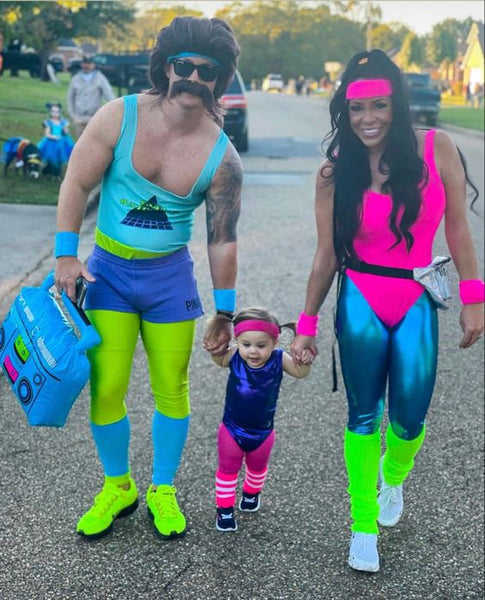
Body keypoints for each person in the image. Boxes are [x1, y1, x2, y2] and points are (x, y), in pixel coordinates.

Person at [290, 49, 484, 573]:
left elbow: (458, 230)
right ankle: (363, 523)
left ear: (396, 105)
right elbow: (326, 253)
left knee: (409, 416)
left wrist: (474, 297)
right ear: (344, 112)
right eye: (356, 109)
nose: (367, 118)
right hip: (360, 297)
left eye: (378, 105)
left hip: (416, 295)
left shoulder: (436, 148)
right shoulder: (335, 172)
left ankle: (393, 478)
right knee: (362, 414)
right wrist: (306, 325)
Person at [54, 16, 242, 540]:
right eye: (185, 65)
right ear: (165, 66)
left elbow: (222, 238)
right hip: (108, 274)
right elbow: (77, 180)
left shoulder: (222, 156)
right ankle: (119, 487)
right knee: (107, 387)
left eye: (209, 71)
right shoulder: (120, 116)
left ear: (220, 79)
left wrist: (224, 310)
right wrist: (65, 257)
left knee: (171, 390)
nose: (194, 78)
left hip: (169, 284)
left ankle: (162, 487)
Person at [206, 307, 313, 532]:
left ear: (275, 343)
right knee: (227, 469)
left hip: (263, 432)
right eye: (246, 345)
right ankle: (224, 509)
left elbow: (300, 372)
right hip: (231, 429)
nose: (252, 351)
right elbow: (220, 360)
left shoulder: (278, 359)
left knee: (257, 468)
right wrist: (215, 348)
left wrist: (305, 360)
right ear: (237, 341)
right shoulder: (234, 355)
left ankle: (251, 496)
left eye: (261, 345)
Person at [67, 56, 115, 138]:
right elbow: (70, 98)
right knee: (80, 144)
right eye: (85, 64)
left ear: (94, 65)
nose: (87, 66)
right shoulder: (76, 78)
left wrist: (115, 107)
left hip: (94, 118)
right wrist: (73, 115)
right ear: (82, 64)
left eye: (89, 64)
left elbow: (109, 94)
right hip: (79, 118)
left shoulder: (100, 78)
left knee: (94, 141)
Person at [37, 102, 74, 177]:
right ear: (50, 112)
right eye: (53, 111)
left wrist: (66, 131)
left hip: (61, 142)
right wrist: (54, 137)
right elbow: (47, 134)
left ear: (60, 112)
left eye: (57, 112)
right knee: (50, 157)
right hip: (51, 142)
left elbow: (65, 131)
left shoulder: (62, 122)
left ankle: (57, 172)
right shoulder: (49, 123)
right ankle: (47, 170)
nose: (55, 113)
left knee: (59, 156)